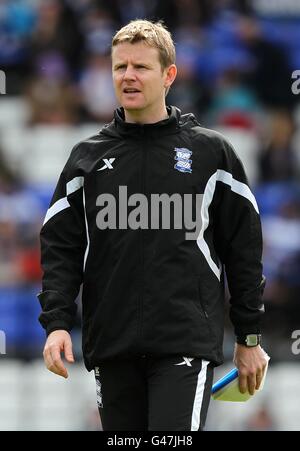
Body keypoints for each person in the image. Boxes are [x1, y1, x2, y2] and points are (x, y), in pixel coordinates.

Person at [38, 19, 268, 431]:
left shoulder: (212, 154)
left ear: (169, 75)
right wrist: (56, 324)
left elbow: (244, 250)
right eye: (119, 67)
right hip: (112, 345)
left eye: (141, 67)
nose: (128, 76)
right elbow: (61, 248)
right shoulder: (85, 160)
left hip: (184, 343)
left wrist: (249, 338)